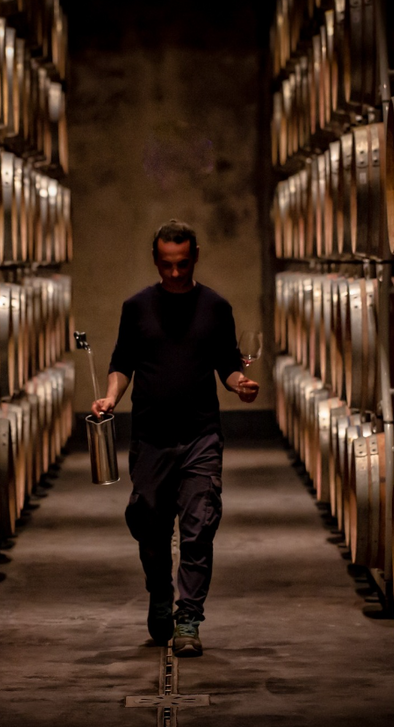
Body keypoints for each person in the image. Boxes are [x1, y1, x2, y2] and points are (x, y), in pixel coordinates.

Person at [91, 219, 259, 657]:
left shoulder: (216, 307)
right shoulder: (137, 307)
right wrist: (109, 398)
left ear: (195, 257)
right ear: (155, 260)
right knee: (148, 522)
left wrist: (240, 383)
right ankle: (160, 591)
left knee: (199, 528)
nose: (175, 274)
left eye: (182, 264)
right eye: (167, 265)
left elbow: (227, 364)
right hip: (150, 437)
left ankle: (188, 619)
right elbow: (121, 361)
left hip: (201, 435)